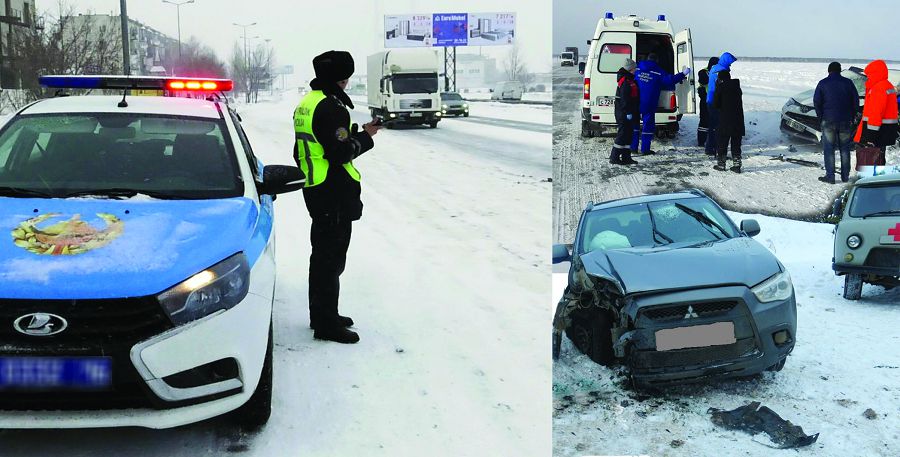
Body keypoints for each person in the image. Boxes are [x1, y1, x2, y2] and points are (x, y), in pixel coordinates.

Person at [293, 50, 381, 344]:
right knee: (330, 260)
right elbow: (340, 152)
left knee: (322, 258)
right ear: (341, 78)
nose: (347, 83)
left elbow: (311, 146)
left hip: (317, 189)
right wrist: (366, 137)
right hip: (332, 194)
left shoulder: (308, 103)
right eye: (346, 77)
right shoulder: (332, 108)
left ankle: (322, 313)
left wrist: (351, 135)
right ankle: (326, 323)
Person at [634, 53, 689, 155]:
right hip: (649, 103)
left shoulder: (638, 68)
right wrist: (683, 74)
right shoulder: (658, 71)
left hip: (635, 101)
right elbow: (670, 80)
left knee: (635, 125)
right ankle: (645, 149)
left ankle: (633, 147)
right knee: (648, 126)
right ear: (656, 61)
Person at [813, 61, 858, 184]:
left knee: (829, 149)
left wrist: (821, 117)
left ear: (829, 71)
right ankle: (845, 177)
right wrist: (852, 116)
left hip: (828, 120)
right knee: (845, 149)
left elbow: (817, 102)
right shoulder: (848, 83)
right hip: (845, 121)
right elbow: (856, 101)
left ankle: (830, 176)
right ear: (839, 70)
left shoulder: (823, 83)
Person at [854, 59, 899, 158]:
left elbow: (876, 113)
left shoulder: (878, 88)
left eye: (868, 75)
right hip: (884, 131)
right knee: (879, 159)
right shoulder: (888, 85)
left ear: (874, 74)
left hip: (875, 133)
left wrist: (870, 137)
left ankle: (869, 174)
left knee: (870, 161)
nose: (867, 78)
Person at [712, 69, 745, 173]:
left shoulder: (721, 88)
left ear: (720, 79)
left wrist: (717, 88)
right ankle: (737, 166)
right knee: (736, 143)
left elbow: (716, 104)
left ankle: (721, 165)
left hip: (726, 120)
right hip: (738, 119)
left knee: (723, 142)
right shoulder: (737, 87)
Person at [610, 58, 640, 165]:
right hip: (624, 113)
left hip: (630, 112)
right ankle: (614, 157)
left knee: (628, 135)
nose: (636, 70)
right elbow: (624, 99)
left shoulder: (630, 79)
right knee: (622, 135)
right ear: (630, 69)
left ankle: (626, 157)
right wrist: (628, 112)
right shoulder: (625, 81)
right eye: (634, 68)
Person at [706, 53, 737, 155]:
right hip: (716, 101)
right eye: (730, 63)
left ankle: (710, 148)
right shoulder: (721, 71)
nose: (731, 65)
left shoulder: (715, 68)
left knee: (712, 125)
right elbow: (724, 89)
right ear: (726, 61)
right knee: (718, 126)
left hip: (711, 100)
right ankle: (715, 149)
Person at [697, 56, 718, 149]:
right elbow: (703, 81)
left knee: (715, 121)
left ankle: (713, 140)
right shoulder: (703, 72)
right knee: (704, 121)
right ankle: (701, 141)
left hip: (716, 100)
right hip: (705, 100)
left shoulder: (719, 73)